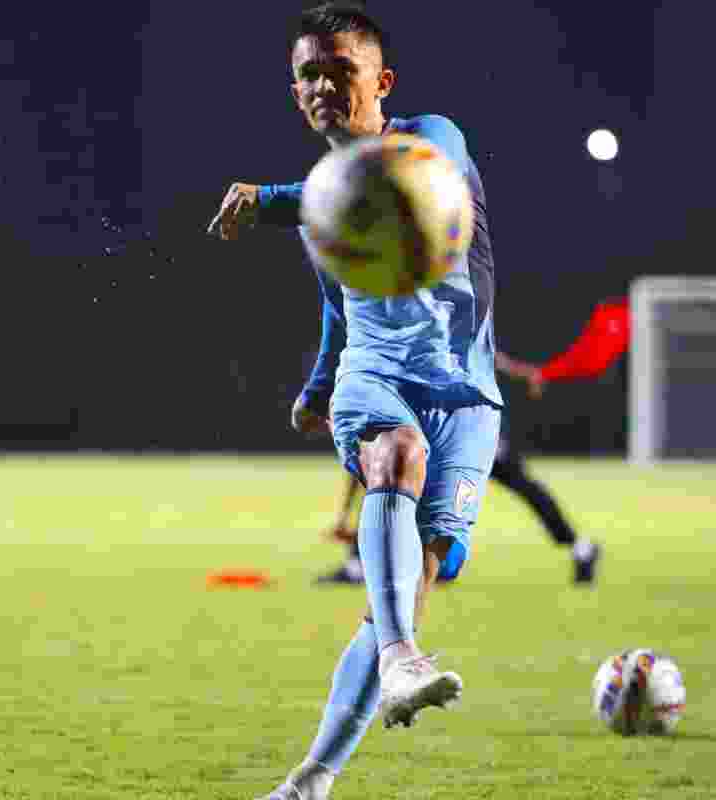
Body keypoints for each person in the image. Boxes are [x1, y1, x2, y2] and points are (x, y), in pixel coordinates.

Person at [207, 5, 502, 798]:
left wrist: (271, 197)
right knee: (393, 456)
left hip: (468, 397)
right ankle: (404, 657)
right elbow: (339, 314)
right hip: (376, 377)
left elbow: (399, 172)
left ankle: (311, 779)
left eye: (338, 68)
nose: (321, 85)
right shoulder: (326, 213)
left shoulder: (434, 136)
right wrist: (316, 389)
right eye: (307, 73)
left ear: (382, 81)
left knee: (415, 576)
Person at [317, 338, 625, 586]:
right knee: (394, 475)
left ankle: (578, 547)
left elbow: (484, 354)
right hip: (450, 426)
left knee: (398, 476)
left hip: (467, 428)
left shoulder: (423, 328)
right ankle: (378, 560)